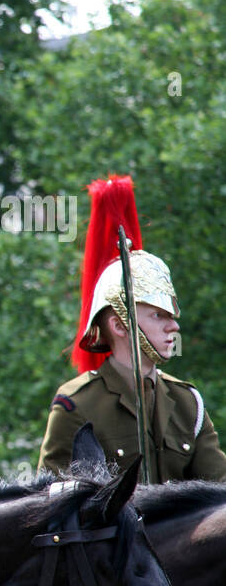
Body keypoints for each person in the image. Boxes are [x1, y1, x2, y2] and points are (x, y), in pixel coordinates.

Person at [37, 175, 226, 481]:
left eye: (171, 316)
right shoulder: (78, 404)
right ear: (119, 325)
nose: (174, 326)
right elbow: (55, 509)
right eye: (157, 316)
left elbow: (219, 495)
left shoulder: (188, 403)